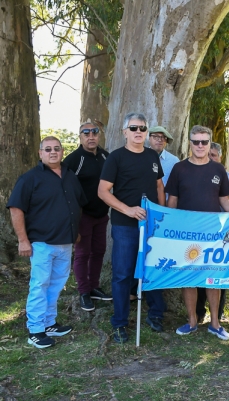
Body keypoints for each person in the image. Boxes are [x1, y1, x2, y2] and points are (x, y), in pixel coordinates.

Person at [165, 125, 229, 340]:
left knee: (212, 277)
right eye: (195, 141)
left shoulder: (218, 170)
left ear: (209, 143)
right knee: (188, 278)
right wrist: (168, 227)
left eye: (204, 142)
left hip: (213, 234)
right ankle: (192, 322)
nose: (200, 145)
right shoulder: (179, 169)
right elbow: (172, 202)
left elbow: (225, 201)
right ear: (190, 143)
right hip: (185, 234)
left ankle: (215, 324)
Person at [7, 136, 87, 348]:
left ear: (62, 152)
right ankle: (35, 330)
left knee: (57, 285)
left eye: (57, 149)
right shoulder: (29, 179)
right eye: (48, 149)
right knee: (40, 285)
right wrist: (23, 240)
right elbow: (16, 208)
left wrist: (75, 230)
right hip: (41, 243)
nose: (53, 152)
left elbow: (77, 205)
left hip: (65, 243)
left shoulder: (70, 176)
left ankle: (49, 323)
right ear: (40, 153)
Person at [98, 113, 167, 344]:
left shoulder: (152, 156)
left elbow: (159, 185)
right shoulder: (115, 158)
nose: (139, 132)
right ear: (124, 131)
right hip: (125, 226)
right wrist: (127, 210)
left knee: (154, 269)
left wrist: (161, 213)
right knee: (122, 274)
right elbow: (103, 191)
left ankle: (156, 314)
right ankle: (119, 323)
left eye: (143, 128)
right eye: (134, 128)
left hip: (151, 226)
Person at [63, 122, 111, 312]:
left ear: (99, 135)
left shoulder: (106, 156)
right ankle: (83, 292)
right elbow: (63, 187)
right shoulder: (74, 159)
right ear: (80, 136)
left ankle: (94, 287)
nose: (91, 136)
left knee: (99, 251)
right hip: (82, 215)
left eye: (94, 132)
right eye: (86, 133)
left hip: (102, 214)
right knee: (83, 254)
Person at [204, 141, 229, 321]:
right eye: (208, 155)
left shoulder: (227, 177)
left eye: (213, 155)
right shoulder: (191, 172)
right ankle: (199, 312)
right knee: (198, 273)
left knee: (218, 276)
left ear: (220, 157)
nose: (210, 158)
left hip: (221, 234)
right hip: (198, 234)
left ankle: (218, 314)